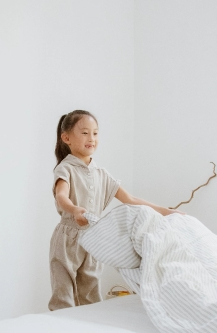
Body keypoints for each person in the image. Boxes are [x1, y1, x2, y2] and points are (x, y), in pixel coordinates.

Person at [49, 110, 180, 311]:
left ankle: (88, 330)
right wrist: (74, 209)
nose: (91, 138)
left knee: (91, 292)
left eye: (95, 133)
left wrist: (166, 211)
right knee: (63, 292)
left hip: (94, 239)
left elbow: (130, 199)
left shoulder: (102, 174)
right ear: (66, 138)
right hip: (68, 238)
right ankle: (58, 329)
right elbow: (61, 196)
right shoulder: (65, 168)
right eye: (84, 133)